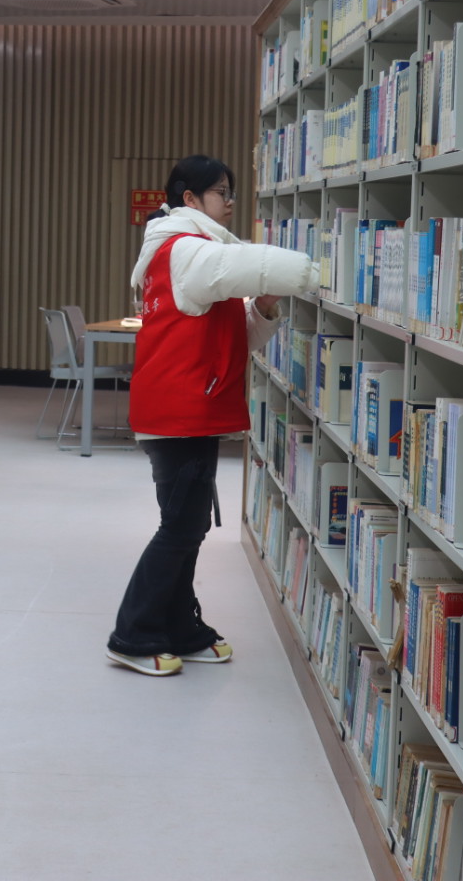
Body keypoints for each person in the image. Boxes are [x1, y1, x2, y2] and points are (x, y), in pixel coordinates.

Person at [106, 154, 312, 676]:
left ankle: (180, 627)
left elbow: (234, 338)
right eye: (222, 192)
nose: (231, 202)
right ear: (189, 199)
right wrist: (316, 269)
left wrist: (264, 307)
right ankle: (132, 634)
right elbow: (243, 264)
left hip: (191, 409)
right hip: (178, 412)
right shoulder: (185, 249)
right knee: (180, 526)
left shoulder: (195, 250)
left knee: (190, 524)